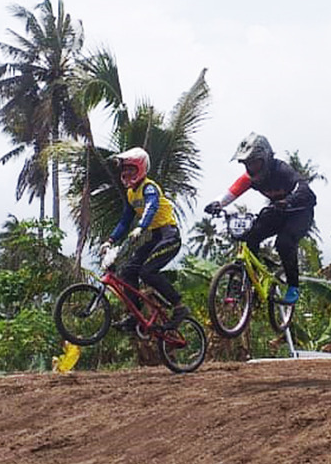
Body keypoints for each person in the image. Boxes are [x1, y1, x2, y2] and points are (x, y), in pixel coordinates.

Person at [204, 133, 316, 305]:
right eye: (247, 164)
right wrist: (217, 203)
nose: (251, 167)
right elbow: (231, 193)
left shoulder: (282, 170)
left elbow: (305, 190)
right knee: (250, 236)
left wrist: (288, 201)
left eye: (254, 162)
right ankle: (250, 282)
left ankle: (293, 286)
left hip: (300, 212)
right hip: (277, 211)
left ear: (265, 158)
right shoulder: (250, 178)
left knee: (284, 243)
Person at [101, 147, 188, 331]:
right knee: (128, 271)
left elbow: (151, 207)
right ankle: (135, 315)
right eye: (124, 170)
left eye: (130, 169)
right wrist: (110, 240)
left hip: (169, 236)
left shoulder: (149, 188)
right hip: (156, 237)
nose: (126, 173)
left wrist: (141, 227)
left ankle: (179, 307)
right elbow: (125, 221)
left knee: (147, 272)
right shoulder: (131, 194)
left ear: (140, 168)